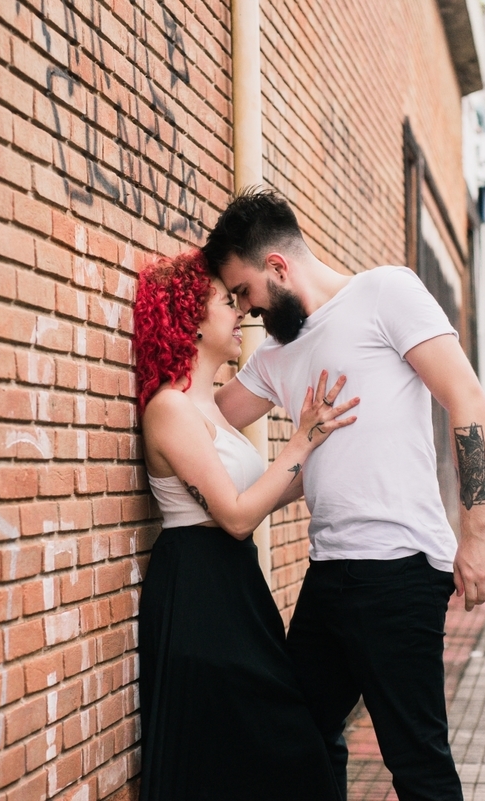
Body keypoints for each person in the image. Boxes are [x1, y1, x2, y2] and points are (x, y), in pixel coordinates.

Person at [203, 188, 485, 801]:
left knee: (416, 760)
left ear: (278, 267)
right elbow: (207, 418)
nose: (246, 310)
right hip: (331, 575)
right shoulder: (275, 356)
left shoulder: (384, 293)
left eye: (244, 293)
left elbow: (467, 400)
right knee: (299, 736)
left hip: (398, 571)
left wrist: (476, 534)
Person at [134, 250, 359, 801]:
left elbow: (258, 497)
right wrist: (300, 441)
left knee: (268, 746)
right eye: (224, 300)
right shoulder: (169, 408)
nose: (241, 312)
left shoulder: (209, 407)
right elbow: (235, 517)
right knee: (254, 746)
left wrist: (332, 457)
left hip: (236, 587)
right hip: (199, 593)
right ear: (189, 316)